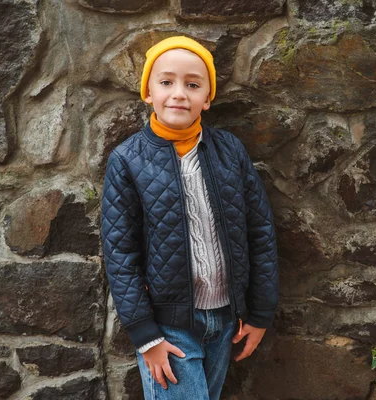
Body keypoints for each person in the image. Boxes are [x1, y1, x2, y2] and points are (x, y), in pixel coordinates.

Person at [101, 36, 279, 400]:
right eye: (166, 82)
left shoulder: (229, 150)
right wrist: (145, 335)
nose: (179, 93)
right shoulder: (127, 160)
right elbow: (120, 253)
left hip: (228, 320)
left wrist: (260, 314)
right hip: (168, 328)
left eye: (193, 84)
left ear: (207, 98)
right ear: (148, 92)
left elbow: (259, 232)